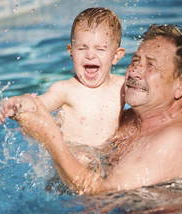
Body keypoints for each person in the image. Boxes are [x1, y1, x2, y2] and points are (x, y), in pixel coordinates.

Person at [10, 24, 182, 195]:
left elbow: (102, 194)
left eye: (150, 66)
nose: (134, 72)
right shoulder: (130, 121)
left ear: (179, 84)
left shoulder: (174, 139)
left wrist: (50, 136)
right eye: (135, 61)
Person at [0, 7, 125, 148]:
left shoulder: (122, 87)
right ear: (71, 52)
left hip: (110, 157)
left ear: (116, 56)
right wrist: (18, 103)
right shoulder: (64, 90)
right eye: (82, 48)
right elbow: (37, 105)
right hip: (74, 159)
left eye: (100, 49)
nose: (90, 55)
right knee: (84, 158)